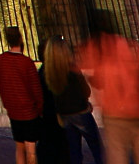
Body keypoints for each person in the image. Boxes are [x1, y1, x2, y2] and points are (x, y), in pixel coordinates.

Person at [76, 10, 139, 164]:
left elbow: (96, 80)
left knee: (118, 156)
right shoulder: (129, 44)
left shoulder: (95, 47)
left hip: (114, 111)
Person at [42, 36, 104, 164]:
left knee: (74, 150)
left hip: (64, 114)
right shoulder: (72, 69)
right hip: (80, 111)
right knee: (97, 148)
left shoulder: (49, 72)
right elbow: (86, 91)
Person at [0, 25, 46, 164]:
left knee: (19, 148)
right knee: (31, 151)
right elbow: (36, 89)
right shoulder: (26, 62)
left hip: (14, 111)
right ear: (20, 39)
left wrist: (7, 104)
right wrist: (39, 108)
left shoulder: (2, 60)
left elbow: (1, 84)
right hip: (29, 111)